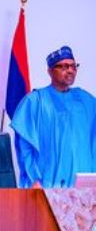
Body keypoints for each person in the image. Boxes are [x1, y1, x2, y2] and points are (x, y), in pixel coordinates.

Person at [11, 46, 96, 188]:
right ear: (50, 71)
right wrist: (34, 179)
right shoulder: (35, 101)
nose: (70, 70)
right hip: (47, 185)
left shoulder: (87, 101)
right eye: (63, 66)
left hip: (84, 187)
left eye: (73, 66)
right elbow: (24, 146)